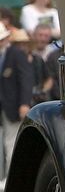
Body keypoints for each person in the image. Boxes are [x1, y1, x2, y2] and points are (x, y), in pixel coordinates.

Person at [0, 22, 33, 181]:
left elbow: (26, 79)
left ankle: (10, 179)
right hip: (4, 106)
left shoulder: (16, 54)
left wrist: (24, 103)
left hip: (12, 105)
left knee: (11, 142)